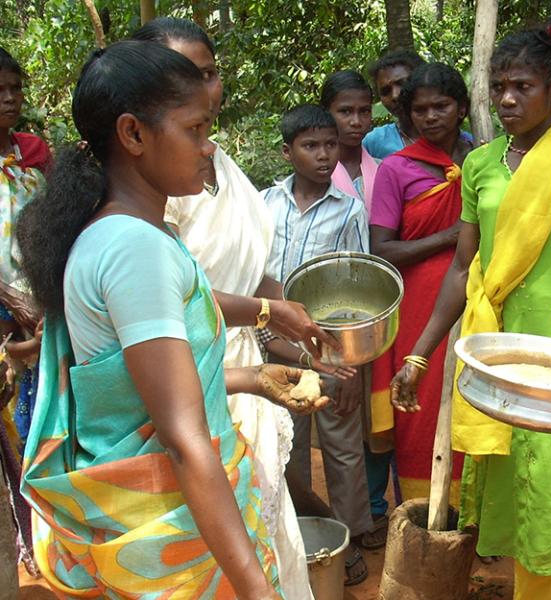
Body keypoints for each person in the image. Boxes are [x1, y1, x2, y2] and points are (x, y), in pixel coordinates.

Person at [16, 40, 329, 598]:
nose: (208, 149)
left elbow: (146, 380)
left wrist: (258, 358)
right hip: (172, 536)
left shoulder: (123, 232)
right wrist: (256, 589)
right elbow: (184, 440)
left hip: (153, 528)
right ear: (134, 134)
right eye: (194, 130)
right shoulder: (137, 248)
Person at [391, 29, 551, 600]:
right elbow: (462, 269)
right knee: (511, 486)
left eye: (522, 86)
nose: (507, 99)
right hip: (498, 354)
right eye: (499, 87)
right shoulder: (478, 164)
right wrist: (421, 355)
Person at [131, 18, 320, 599]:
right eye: (184, 75)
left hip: (242, 368)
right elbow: (166, 297)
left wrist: (303, 336)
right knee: (212, 543)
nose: (204, 88)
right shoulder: (150, 187)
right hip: (183, 377)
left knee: (264, 521)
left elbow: (253, 267)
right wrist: (269, 314)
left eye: (209, 74)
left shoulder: (221, 163)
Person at [260, 103, 374, 586]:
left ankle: (345, 543)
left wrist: (357, 367)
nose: (324, 154)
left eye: (329, 144)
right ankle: (297, 540)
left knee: (343, 448)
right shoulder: (263, 202)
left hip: (330, 348)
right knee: (285, 446)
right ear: (288, 152)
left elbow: (364, 290)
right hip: (270, 344)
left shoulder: (349, 209)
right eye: (310, 146)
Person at [369, 63, 472, 505]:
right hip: (419, 304)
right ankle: (421, 511)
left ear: (463, 108)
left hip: (478, 295)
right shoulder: (396, 169)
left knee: (473, 396)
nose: (431, 116)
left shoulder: (485, 160)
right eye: (421, 109)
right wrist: (449, 236)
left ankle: (473, 516)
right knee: (421, 405)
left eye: (441, 106)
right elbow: (382, 251)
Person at [0, 45, 49, 576]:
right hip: (5, 320)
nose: (10, 99)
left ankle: (50, 536)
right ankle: (27, 541)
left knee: (41, 428)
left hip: (40, 315)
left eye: (14, 88)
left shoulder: (32, 154)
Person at [321, 70, 378, 214]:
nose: (356, 122)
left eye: (364, 111)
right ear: (326, 113)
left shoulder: (383, 170)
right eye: (345, 111)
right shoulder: (313, 175)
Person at [364, 50, 426, 159]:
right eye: (385, 91)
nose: (395, 96)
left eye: (402, 84)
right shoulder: (375, 142)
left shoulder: (452, 137)